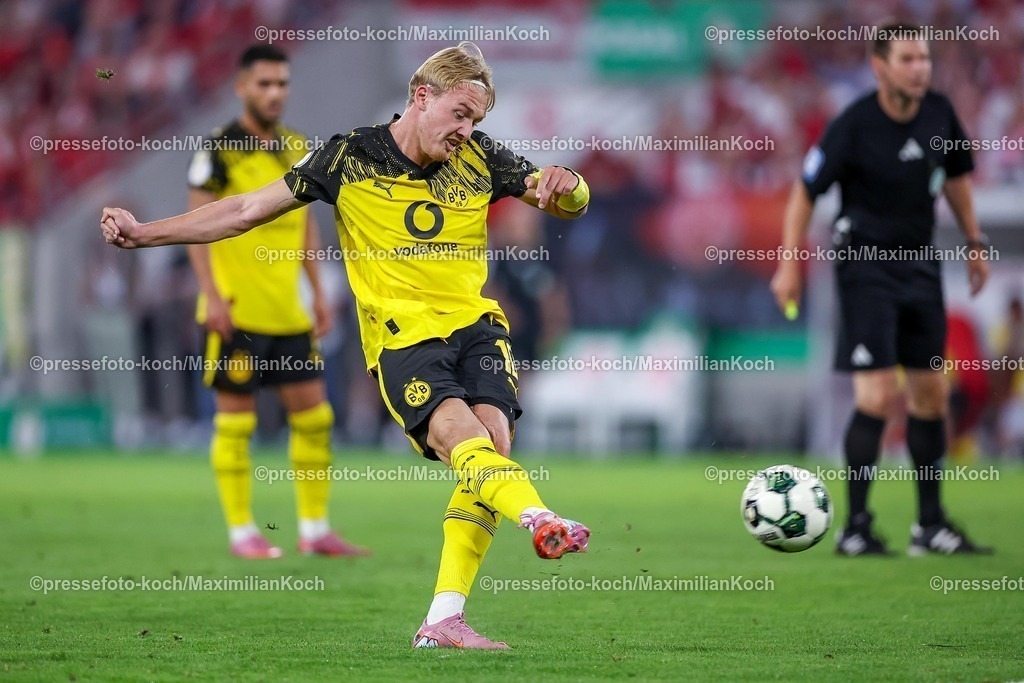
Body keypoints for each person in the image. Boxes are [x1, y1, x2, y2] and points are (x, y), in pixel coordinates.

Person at [102, 42, 591, 649]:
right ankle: (539, 517)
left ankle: (444, 618)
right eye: (460, 114)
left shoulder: (481, 156)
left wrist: (571, 187)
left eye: (477, 120)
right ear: (422, 96)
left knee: (490, 448)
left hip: (477, 327)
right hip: (404, 336)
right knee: (466, 443)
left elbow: (560, 198)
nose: (467, 130)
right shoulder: (349, 157)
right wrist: (145, 234)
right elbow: (246, 209)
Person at [771, 22, 992, 556]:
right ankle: (856, 528)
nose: (920, 68)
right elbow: (804, 193)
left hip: (920, 266)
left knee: (931, 394)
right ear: (879, 67)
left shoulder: (939, 114)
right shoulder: (853, 125)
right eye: (908, 59)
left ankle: (929, 526)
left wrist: (974, 240)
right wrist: (789, 263)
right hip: (864, 267)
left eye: (924, 59)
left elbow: (956, 179)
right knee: (876, 394)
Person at [186, 45, 367, 560]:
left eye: (282, 83)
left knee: (315, 420)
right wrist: (211, 295)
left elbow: (305, 223)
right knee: (236, 425)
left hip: (290, 313)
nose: (274, 93)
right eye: (264, 83)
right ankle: (242, 532)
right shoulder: (218, 150)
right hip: (236, 311)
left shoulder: (298, 147)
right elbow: (196, 226)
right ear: (242, 87)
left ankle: (315, 530)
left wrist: (318, 292)